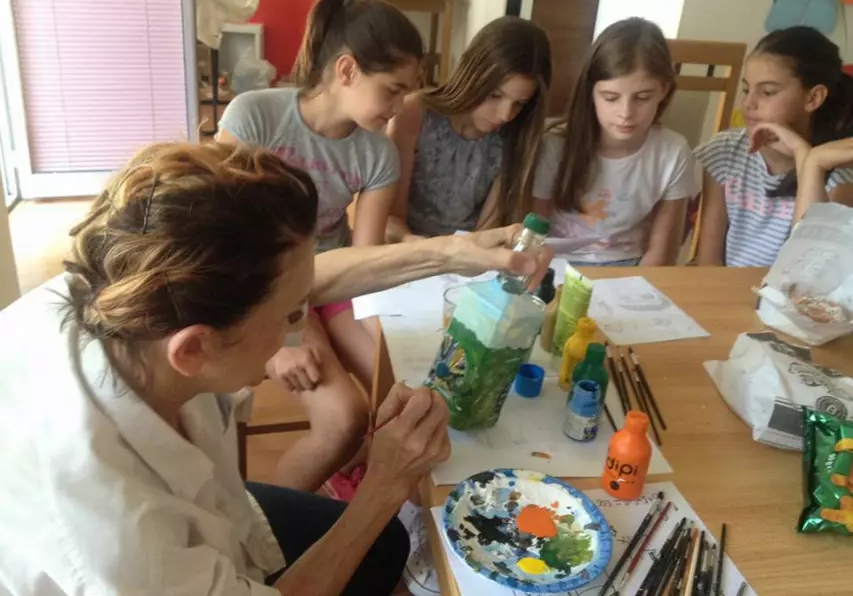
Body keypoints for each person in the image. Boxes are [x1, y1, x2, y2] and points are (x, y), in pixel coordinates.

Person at [0, 142, 551, 596]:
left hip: (218, 515)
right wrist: (384, 486)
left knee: (386, 547)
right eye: (290, 316)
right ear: (194, 351)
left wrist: (452, 253)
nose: (299, 325)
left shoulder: (123, 290)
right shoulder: (119, 536)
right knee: (376, 531)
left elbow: (302, 282)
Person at [217, 0, 424, 497]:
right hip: (265, 287)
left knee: (406, 391)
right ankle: (261, 532)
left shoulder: (377, 154)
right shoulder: (254, 117)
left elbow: (365, 264)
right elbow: (221, 244)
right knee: (344, 416)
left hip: (331, 282)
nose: (399, 107)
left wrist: (395, 335)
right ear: (347, 70)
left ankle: (353, 475)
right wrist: (281, 337)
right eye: (392, 90)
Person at [532, 18, 696, 266]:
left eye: (642, 97)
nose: (625, 113)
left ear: (664, 89)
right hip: (556, 264)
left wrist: (636, 284)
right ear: (591, 92)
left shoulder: (673, 152)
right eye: (610, 98)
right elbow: (533, 236)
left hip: (629, 267)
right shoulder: (554, 145)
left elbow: (661, 253)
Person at [696, 26, 853, 267]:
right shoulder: (726, 151)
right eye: (746, 89)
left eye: (768, 92)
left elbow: (808, 267)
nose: (748, 103)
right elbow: (709, 260)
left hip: (791, 288)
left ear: (813, 98)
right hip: (725, 287)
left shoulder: (839, 174)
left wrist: (807, 160)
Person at [386, 15, 552, 242]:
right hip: (407, 247)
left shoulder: (516, 134)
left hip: (472, 252)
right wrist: (422, 249)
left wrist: (465, 254)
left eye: (520, 103)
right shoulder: (413, 114)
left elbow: (487, 229)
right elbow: (389, 218)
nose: (505, 115)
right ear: (472, 75)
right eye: (494, 95)